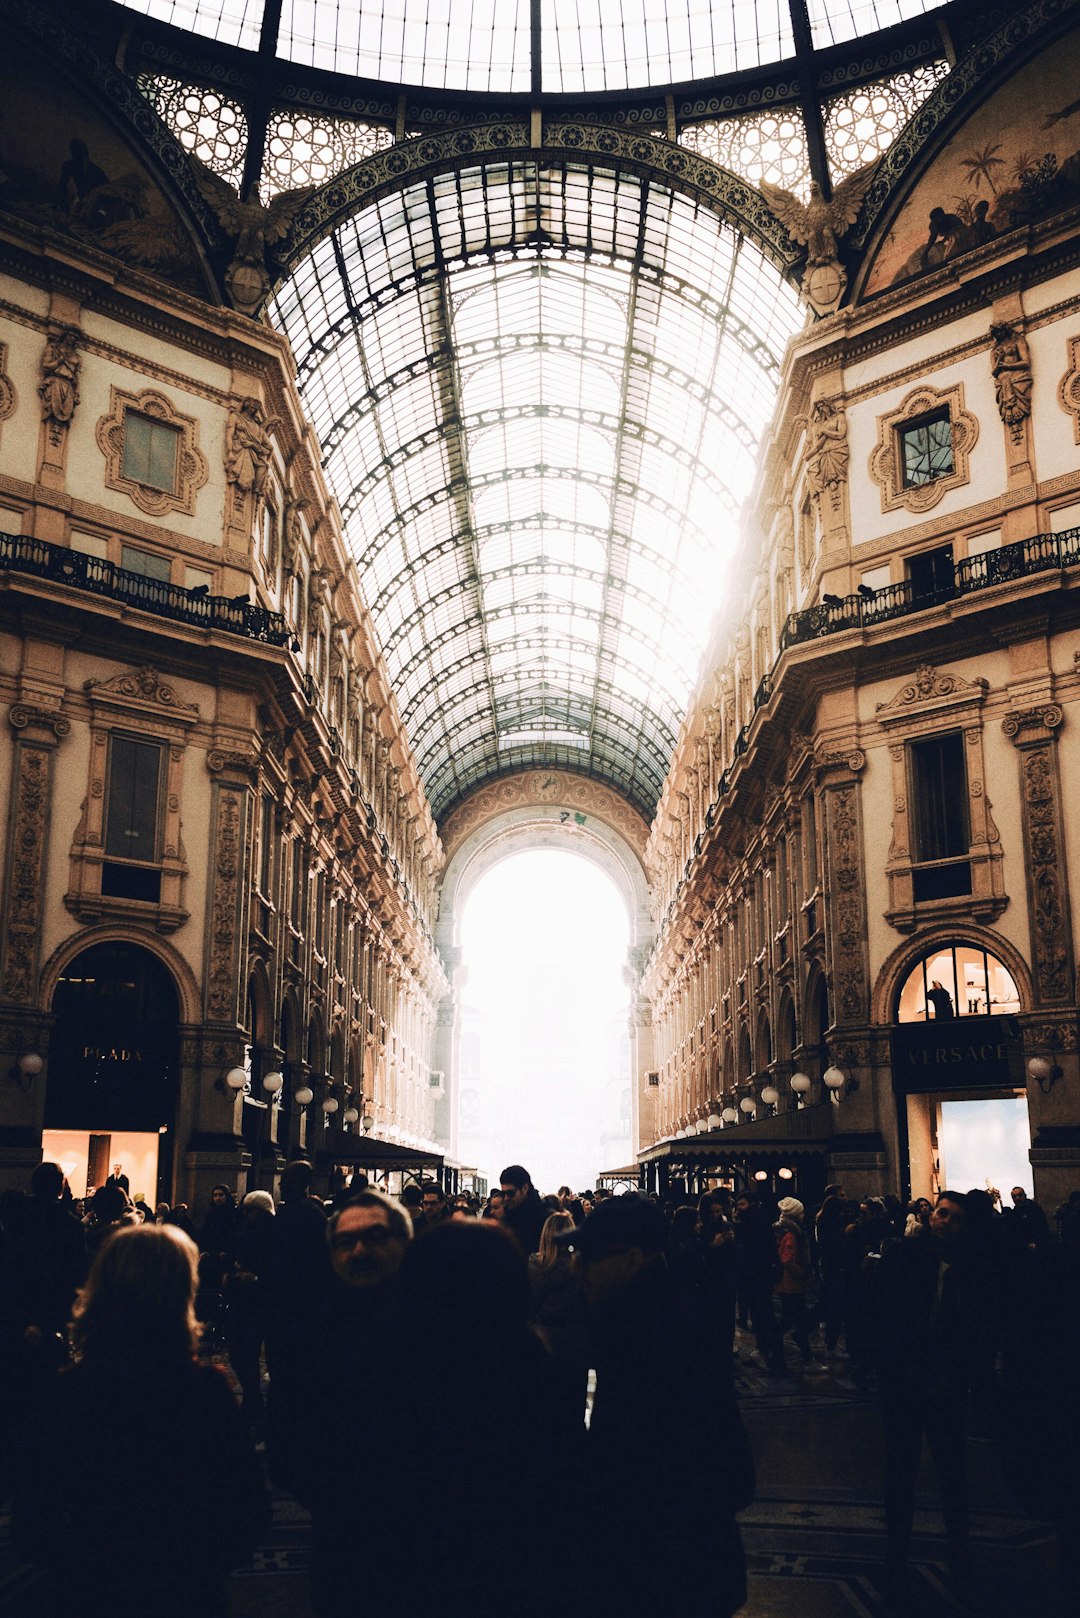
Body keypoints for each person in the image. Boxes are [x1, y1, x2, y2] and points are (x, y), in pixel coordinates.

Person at [12, 1223, 268, 1618]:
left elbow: (31, 1521)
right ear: (183, 1294)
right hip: (186, 1592)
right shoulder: (205, 1392)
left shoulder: (68, 1392)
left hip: (90, 1591)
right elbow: (247, 1510)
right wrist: (197, 1567)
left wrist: (82, 1564)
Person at [573, 1194, 753, 1618]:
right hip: (685, 1560)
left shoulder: (656, 1335)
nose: (578, 1267)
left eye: (592, 1255)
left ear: (634, 1257)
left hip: (670, 1565)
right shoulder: (643, 1318)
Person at [874, 1190, 996, 1601]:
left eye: (953, 1218)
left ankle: (961, 1558)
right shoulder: (905, 1257)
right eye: (941, 1213)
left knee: (952, 1473)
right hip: (904, 1386)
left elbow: (978, 1333)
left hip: (946, 1387)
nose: (943, 1220)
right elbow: (883, 1316)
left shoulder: (975, 1271)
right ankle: (895, 1559)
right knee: (900, 1473)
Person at [773, 1196, 817, 1368]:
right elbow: (787, 1260)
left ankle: (776, 1352)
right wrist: (803, 1274)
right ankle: (806, 1357)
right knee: (796, 1321)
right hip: (791, 1284)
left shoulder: (786, 1231)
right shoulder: (792, 1234)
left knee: (791, 1320)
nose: (804, 1215)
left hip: (788, 1284)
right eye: (801, 1212)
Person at [499, 1162, 549, 1254]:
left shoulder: (546, 1218)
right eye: (503, 1194)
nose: (506, 1198)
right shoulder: (507, 1216)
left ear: (525, 1188)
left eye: (510, 1193)